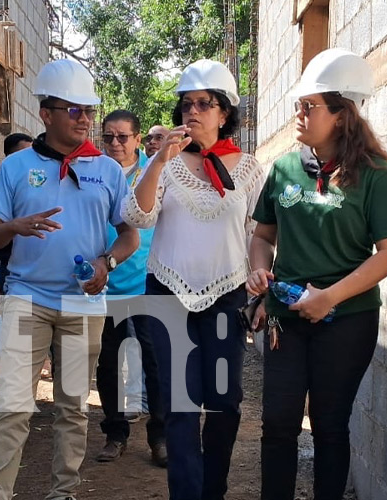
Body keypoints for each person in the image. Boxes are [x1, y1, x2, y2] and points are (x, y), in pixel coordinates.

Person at [246, 48, 387, 500]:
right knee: (278, 422)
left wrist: (330, 297)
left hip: (347, 320)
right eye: (298, 105)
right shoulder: (283, 169)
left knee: (328, 424)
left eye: (310, 106)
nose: (299, 114)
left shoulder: (375, 176)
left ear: (341, 115)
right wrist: (260, 272)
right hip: (285, 315)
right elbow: (262, 236)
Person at [0, 58, 139, 500]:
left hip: (80, 306)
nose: (85, 119)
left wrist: (107, 263)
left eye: (88, 110)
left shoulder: (106, 170)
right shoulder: (14, 168)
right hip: (25, 300)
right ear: (46, 114)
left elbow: (130, 234)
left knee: (72, 410)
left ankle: (63, 493)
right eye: (74, 110)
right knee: (12, 409)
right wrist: (15, 226)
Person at [122, 59, 265, 500]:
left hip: (227, 297)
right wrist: (158, 162)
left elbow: (260, 233)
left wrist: (259, 289)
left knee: (225, 403)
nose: (193, 112)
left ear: (224, 113)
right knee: (181, 407)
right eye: (187, 104)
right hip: (168, 295)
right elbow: (136, 216)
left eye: (205, 103)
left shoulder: (249, 169)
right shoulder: (164, 163)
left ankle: (213, 491)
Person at [95, 109, 167, 467]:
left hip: (148, 282)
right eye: (108, 136)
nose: (115, 144)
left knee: (156, 362)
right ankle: (115, 433)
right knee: (108, 363)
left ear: (138, 139)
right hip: (106, 285)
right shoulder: (94, 172)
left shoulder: (155, 172)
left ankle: (160, 436)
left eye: (123, 136)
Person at [0, 134, 34, 379]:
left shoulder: (41, 188)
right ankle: (8, 367)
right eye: (24, 153)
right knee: (8, 321)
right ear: (11, 157)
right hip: (10, 271)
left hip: (40, 272)